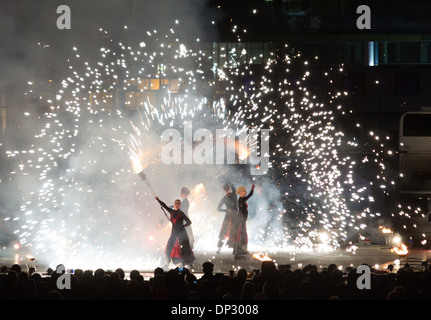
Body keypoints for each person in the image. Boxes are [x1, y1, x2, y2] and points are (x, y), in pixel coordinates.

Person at [155, 196, 195, 268]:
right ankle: (167, 263)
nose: (177, 204)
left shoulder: (181, 213)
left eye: (178, 203)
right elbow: (164, 206)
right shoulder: (171, 211)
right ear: (174, 204)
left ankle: (188, 263)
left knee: (185, 247)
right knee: (169, 245)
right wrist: (158, 200)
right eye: (176, 203)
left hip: (182, 233)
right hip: (174, 232)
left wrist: (183, 226)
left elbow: (189, 222)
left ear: (180, 205)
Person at [233, 184, 255, 259]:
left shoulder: (241, 199)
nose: (245, 193)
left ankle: (242, 250)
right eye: (244, 192)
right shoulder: (241, 200)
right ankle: (241, 250)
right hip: (241, 220)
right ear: (240, 192)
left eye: (245, 191)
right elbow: (250, 195)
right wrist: (252, 189)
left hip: (242, 219)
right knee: (242, 234)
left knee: (242, 234)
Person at [216, 182, 238, 253]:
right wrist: (231, 183)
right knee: (234, 231)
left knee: (225, 231)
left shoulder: (225, 198)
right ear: (229, 188)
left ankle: (219, 248)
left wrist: (226, 210)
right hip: (234, 216)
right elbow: (218, 209)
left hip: (230, 216)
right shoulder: (233, 195)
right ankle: (235, 248)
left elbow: (218, 209)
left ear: (223, 190)